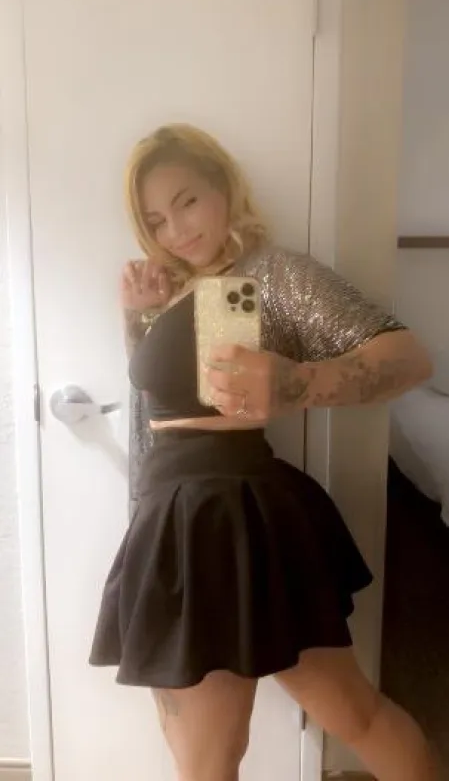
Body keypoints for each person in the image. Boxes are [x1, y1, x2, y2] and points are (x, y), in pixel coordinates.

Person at [90, 124, 439, 780]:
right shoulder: (181, 291)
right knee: (218, 751)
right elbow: (163, 414)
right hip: (177, 521)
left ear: (224, 186)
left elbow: (408, 358)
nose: (175, 230)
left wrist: (296, 384)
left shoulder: (270, 275)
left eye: (187, 201)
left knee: (274, 741)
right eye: (156, 220)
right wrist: (139, 321)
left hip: (231, 515)